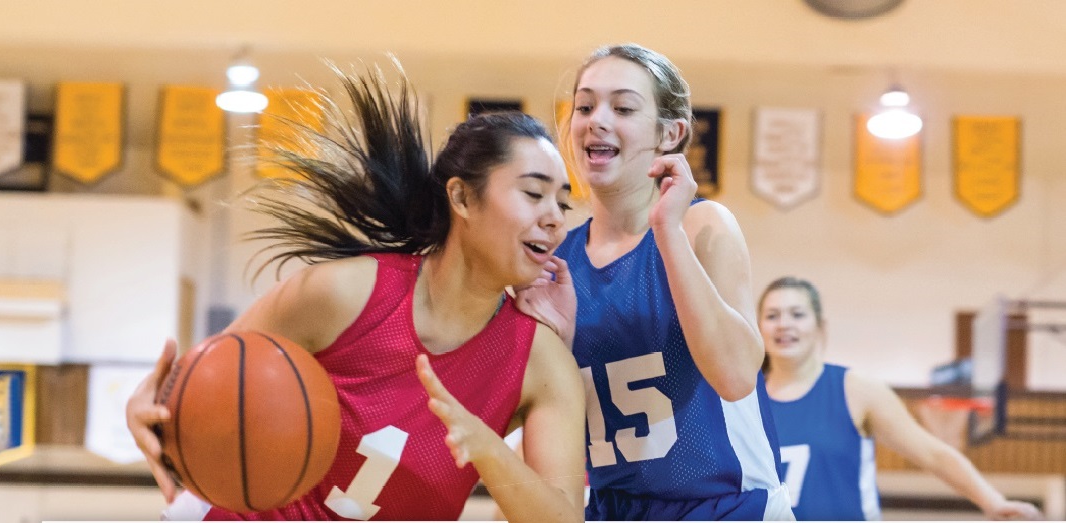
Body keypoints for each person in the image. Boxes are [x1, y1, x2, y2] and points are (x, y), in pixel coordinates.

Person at [125, 63, 586, 522]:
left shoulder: (542, 362)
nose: (555, 219)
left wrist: (489, 449)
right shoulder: (343, 293)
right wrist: (148, 407)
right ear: (462, 198)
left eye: (562, 203)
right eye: (533, 194)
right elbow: (203, 388)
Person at [515, 43, 792, 521]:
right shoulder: (554, 263)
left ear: (671, 133)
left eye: (622, 107)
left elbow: (735, 376)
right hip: (610, 509)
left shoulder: (704, 227)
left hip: (729, 507)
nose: (597, 119)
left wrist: (666, 231)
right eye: (584, 106)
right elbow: (535, 423)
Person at [758, 276, 1044, 521]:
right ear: (757, 326)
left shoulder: (856, 389)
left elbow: (933, 453)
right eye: (772, 316)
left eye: (797, 314)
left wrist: (993, 502)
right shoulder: (742, 399)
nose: (784, 324)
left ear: (820, 326)